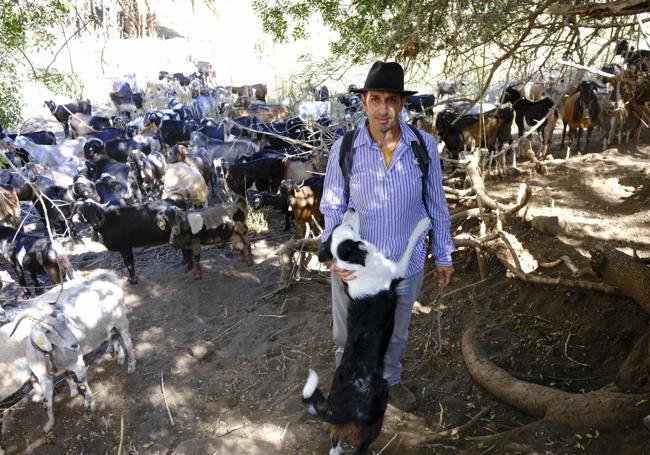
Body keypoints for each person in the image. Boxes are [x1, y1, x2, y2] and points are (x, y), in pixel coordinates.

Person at [318, 61, 455, 412]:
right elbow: (333, 208)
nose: (384, 109)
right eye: (375, 99)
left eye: (391, 100)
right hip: (355, 268)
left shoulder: (422, 146)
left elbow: (436, 204)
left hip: (403, 267)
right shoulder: (345, 149)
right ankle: (348, 389)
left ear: (402, 104)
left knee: (395, 333)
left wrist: (443, 254)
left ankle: (388, 381)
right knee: (346, 336)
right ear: (363, 102)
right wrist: (333, 256)